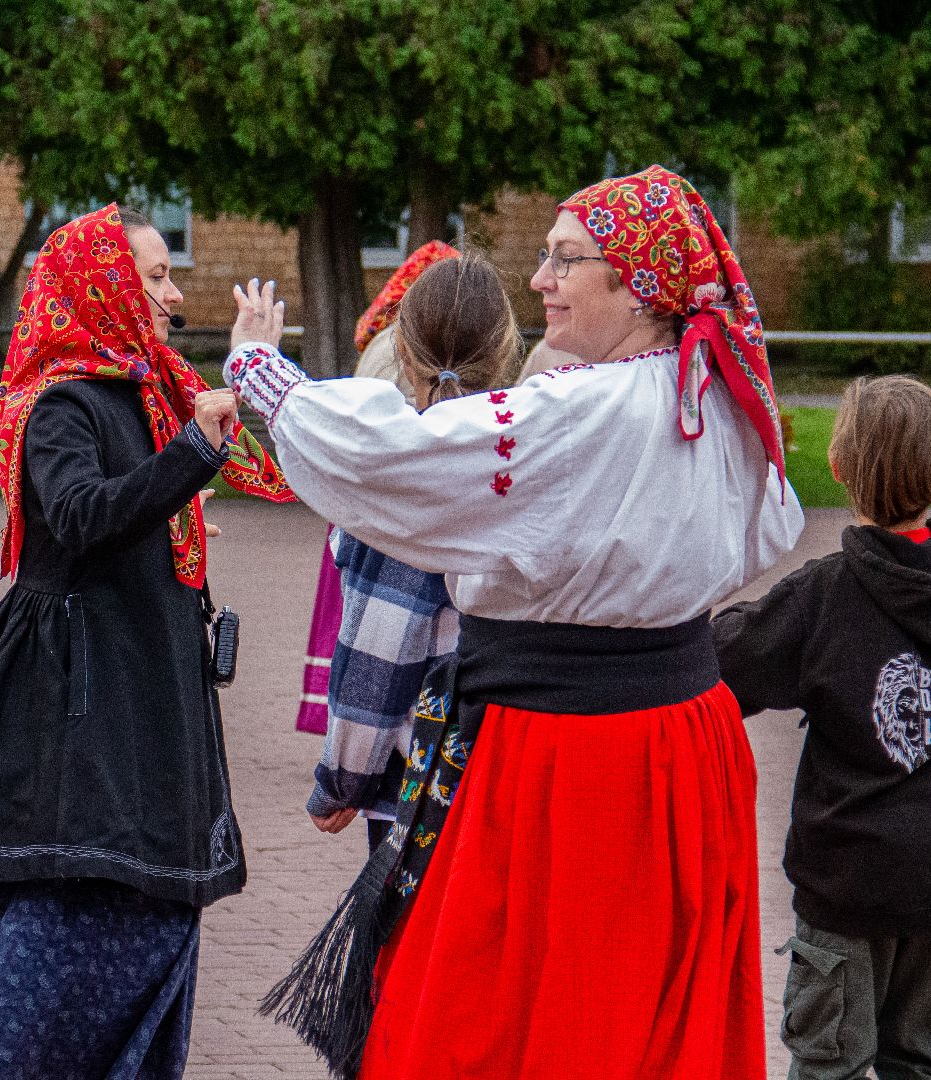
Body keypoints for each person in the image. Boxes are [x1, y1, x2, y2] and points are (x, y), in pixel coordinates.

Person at [233, 165, 804, 1079]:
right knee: (642, 1007)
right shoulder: (719, 397)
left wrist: (261, 374)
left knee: (514, 1008)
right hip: (681, 738)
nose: (539, 279)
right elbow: (767, 526)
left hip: (567, 751)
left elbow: (397, 459)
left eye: (564, 259)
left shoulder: (581, 408)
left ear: (636, 283)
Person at [0, 204, 292, 1079]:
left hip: (135, 683)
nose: (174, 295)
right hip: (73, 699)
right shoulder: (62, 399)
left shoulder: (151, 389)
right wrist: (191, 453)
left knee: (134, 894)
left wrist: (246, 383)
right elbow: (76, 515)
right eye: (153, 275)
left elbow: (165, 486)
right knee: (65, 891)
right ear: (96, 282)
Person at [713, 374, 931, 1079]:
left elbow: (722, 664)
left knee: (827, 1066)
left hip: (846, 883)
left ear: (837, 468)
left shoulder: (822, 596)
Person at [307, 256, 517, 854]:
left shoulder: (406, 474)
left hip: (426, 770)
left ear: (401, 349)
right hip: (516, 752)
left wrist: (344, 778)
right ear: (506, 349)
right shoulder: (524, 457)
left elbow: (383, 644)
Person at [295, 240, 460, 737]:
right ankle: (383, 727)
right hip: (397, 491)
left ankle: (353, 723)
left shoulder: (382, 336)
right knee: (392, 615)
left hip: (363, 494)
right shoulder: (410, 343)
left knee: (359, 610)